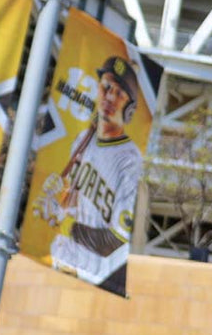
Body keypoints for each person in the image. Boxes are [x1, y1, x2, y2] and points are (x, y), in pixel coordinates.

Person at [34, 56, 143, 294]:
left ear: (130, 110)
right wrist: (55, 195)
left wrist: (65, 224)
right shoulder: (83, 140)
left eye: (120, 93)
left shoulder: (130, 160)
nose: (110, 97)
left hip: (89, 277)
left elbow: (113, 240)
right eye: (106, 87)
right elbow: (69, 203)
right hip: (56, 259)